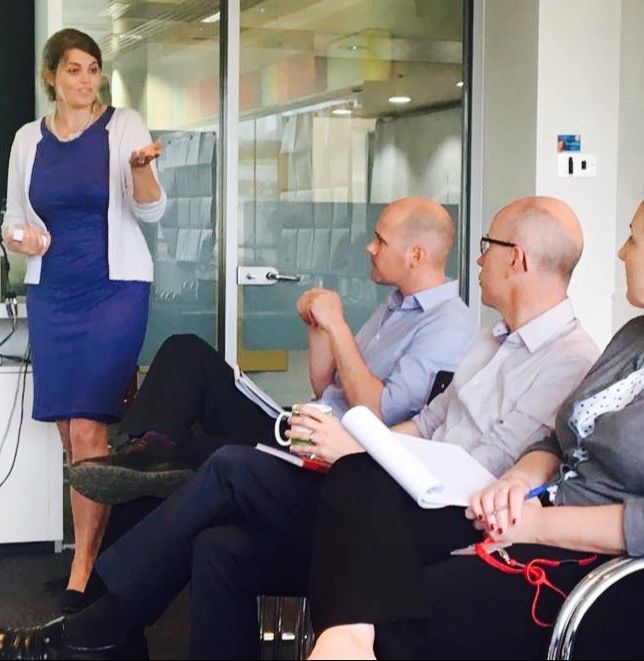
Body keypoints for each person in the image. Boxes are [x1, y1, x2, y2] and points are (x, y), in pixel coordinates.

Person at [0, 196, 599, 660]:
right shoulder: (494, 339)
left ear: (518, 259)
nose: (479, 257)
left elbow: (484, 470)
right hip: (383, 491)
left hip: (431, 520)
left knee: (226, 467)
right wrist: (361, 445)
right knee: (219, 547)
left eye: (489, 246)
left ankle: (98, 623)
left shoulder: (568, 360)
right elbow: (427, 422)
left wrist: (360, 450)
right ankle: (108, 614)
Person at [304, 202, 644, 660]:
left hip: (589, 566)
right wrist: (520, 479)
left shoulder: (571, 355)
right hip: (526, 514)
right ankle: (345, 640)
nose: (622, 252)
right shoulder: (632, 337)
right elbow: (557, 440)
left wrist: (537, 524)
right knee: (354, 484)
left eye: (634, 239)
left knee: (396, 609)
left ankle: (344, 641)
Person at [68, 197, 475, 504]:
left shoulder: (447, 323)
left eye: (380, 240)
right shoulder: (395, 305)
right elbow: (327, 388)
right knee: (185, 352)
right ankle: (146, 448)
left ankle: (151, 461)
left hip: (326, 450)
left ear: (416, 255)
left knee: (190, 452)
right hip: (301, 423)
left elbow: (377, 415)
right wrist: (318, 330)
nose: (370, 247)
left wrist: (338, 326)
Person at [0, 28, 166, 612]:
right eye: (74, 69)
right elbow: (14, 219)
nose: (86, 80)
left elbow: (151, 208)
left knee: (90, 428)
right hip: (54, 293)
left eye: (93, 69)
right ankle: (97, 550)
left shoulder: (124, 126)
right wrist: (19, 238)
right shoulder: (28, 138)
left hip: (114, 290)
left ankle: (84, 570)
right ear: (52, 76)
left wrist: (141, 169)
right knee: (70, 432)